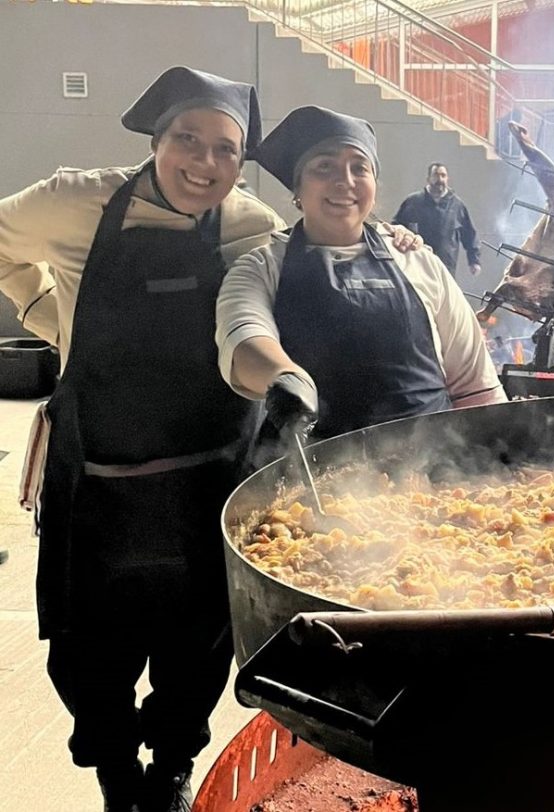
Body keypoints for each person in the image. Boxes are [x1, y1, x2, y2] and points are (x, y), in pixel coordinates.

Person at [0, 66, 279, 812]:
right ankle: (117, 775)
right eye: (188, 139)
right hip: (97, 479)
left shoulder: (249, 222)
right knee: (89, 653)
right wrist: (44, 313)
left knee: (197, 648)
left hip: (208, 483)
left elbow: (311, 257)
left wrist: (395, 240)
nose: (205, 164)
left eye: (226, 149)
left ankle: (172, 772)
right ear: (156, 140)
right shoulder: (73, 200)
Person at [215, 106, 507, 443]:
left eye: (359, 167)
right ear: (297, 190)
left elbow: (475, 384)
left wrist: (496, 463)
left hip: (436, 480)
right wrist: (284, 377)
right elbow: (243, 336)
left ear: (374, 184)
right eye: (324, 167)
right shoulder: (261, 267)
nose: (345, 181)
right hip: (311, 480)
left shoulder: (417, 261)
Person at [393, 162, 482, 278]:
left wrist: (474, 261)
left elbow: (470, 235)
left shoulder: (457, 206)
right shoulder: (412, 202)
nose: (440, 179)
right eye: (436, 175)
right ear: (428, 179)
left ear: (447, 178)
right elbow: (396, 228)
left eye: (443, 175)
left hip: (446, 269)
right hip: (416, 267)